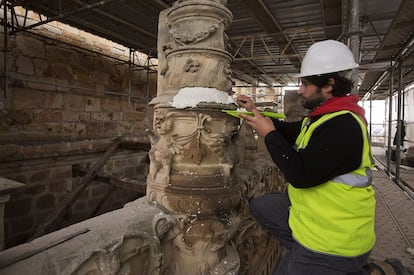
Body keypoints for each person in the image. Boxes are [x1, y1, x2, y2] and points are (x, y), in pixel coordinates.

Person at [236, 40, 376, 275]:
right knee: (262, 205)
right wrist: (255, 113)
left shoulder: (344, 125)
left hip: (334, 240)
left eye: (306, 84)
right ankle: (302, 251)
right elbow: (291, 130)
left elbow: (300, 175)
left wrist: (268, 134)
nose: (300, 90)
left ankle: (324, 263)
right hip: (320, 218)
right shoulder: (325, 117)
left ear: (329, 85)